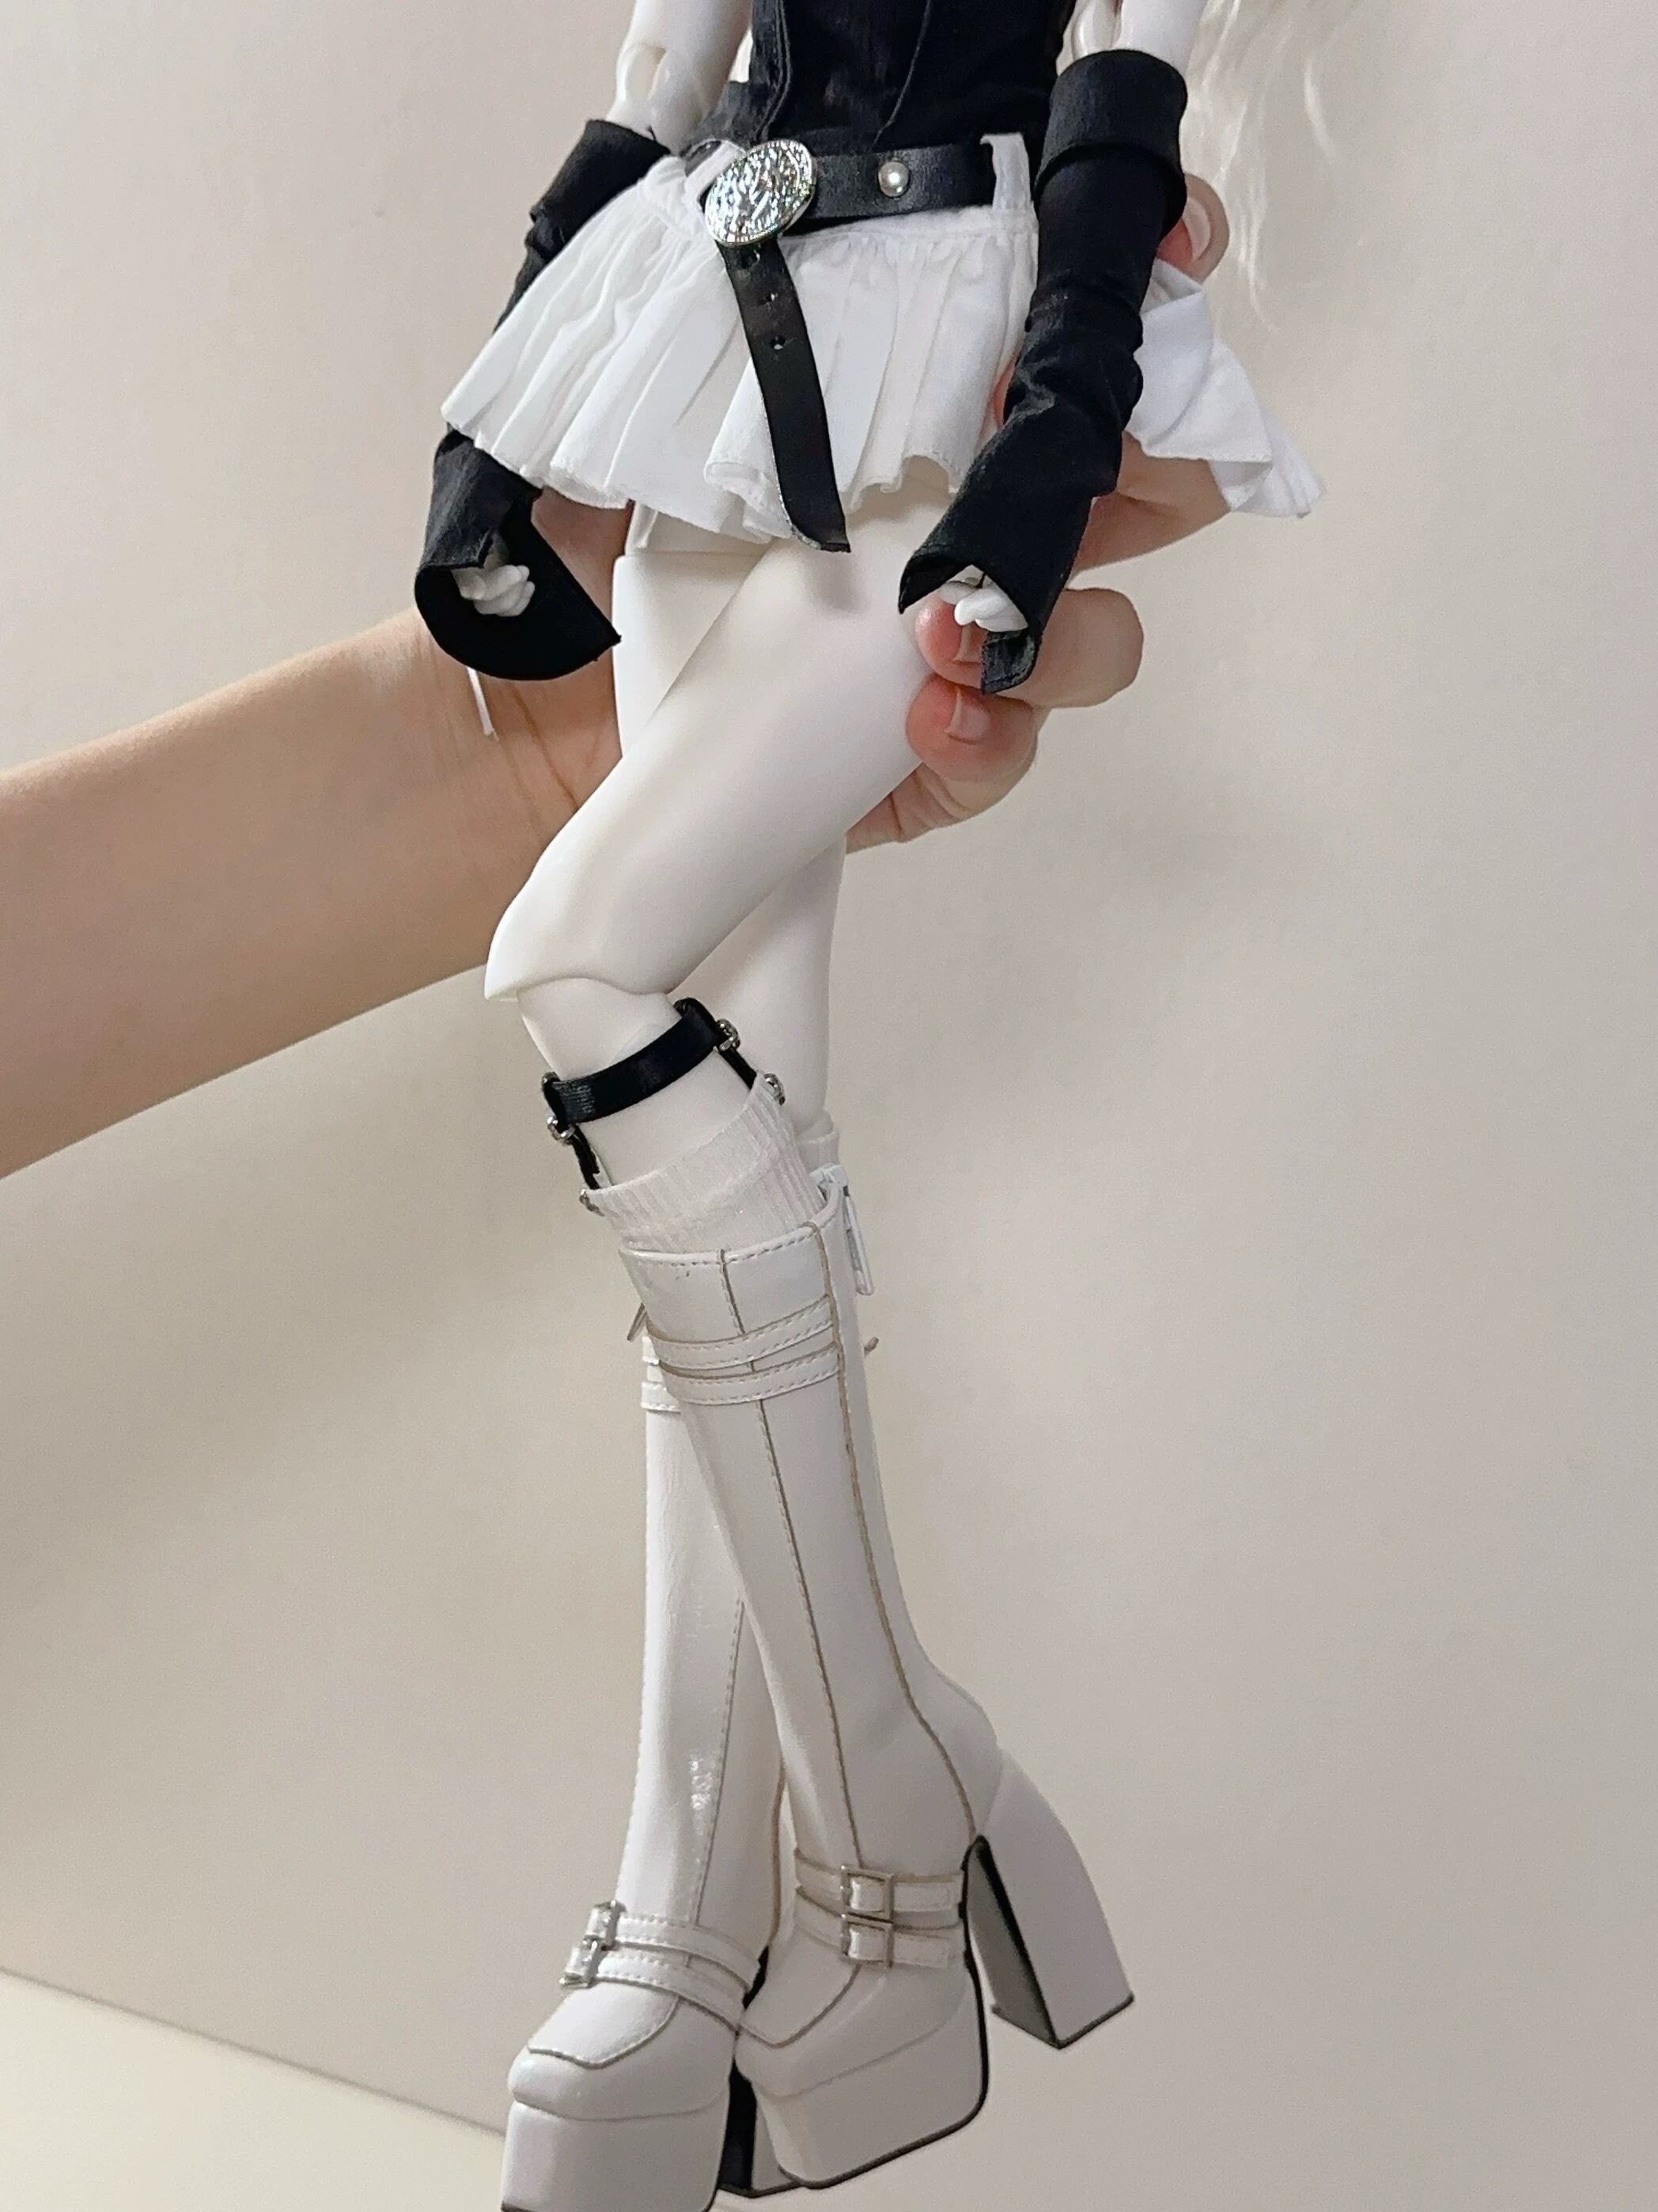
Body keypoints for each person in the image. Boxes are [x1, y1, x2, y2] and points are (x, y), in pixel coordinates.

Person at [406, 1, 1319, 2205]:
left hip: (946, 343)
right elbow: (667, 54)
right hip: (705, 331)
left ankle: (891, 1792)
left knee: (582, 965)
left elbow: (1129, 72)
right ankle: (732, 1904)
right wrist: (508, 373)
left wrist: (1066, 404)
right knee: (736, 1112)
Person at [0, 435, 1222, 1182]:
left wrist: (530, 752)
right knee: (646, 1029)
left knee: (753, 1100)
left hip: (745, 576)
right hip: (760, 552)